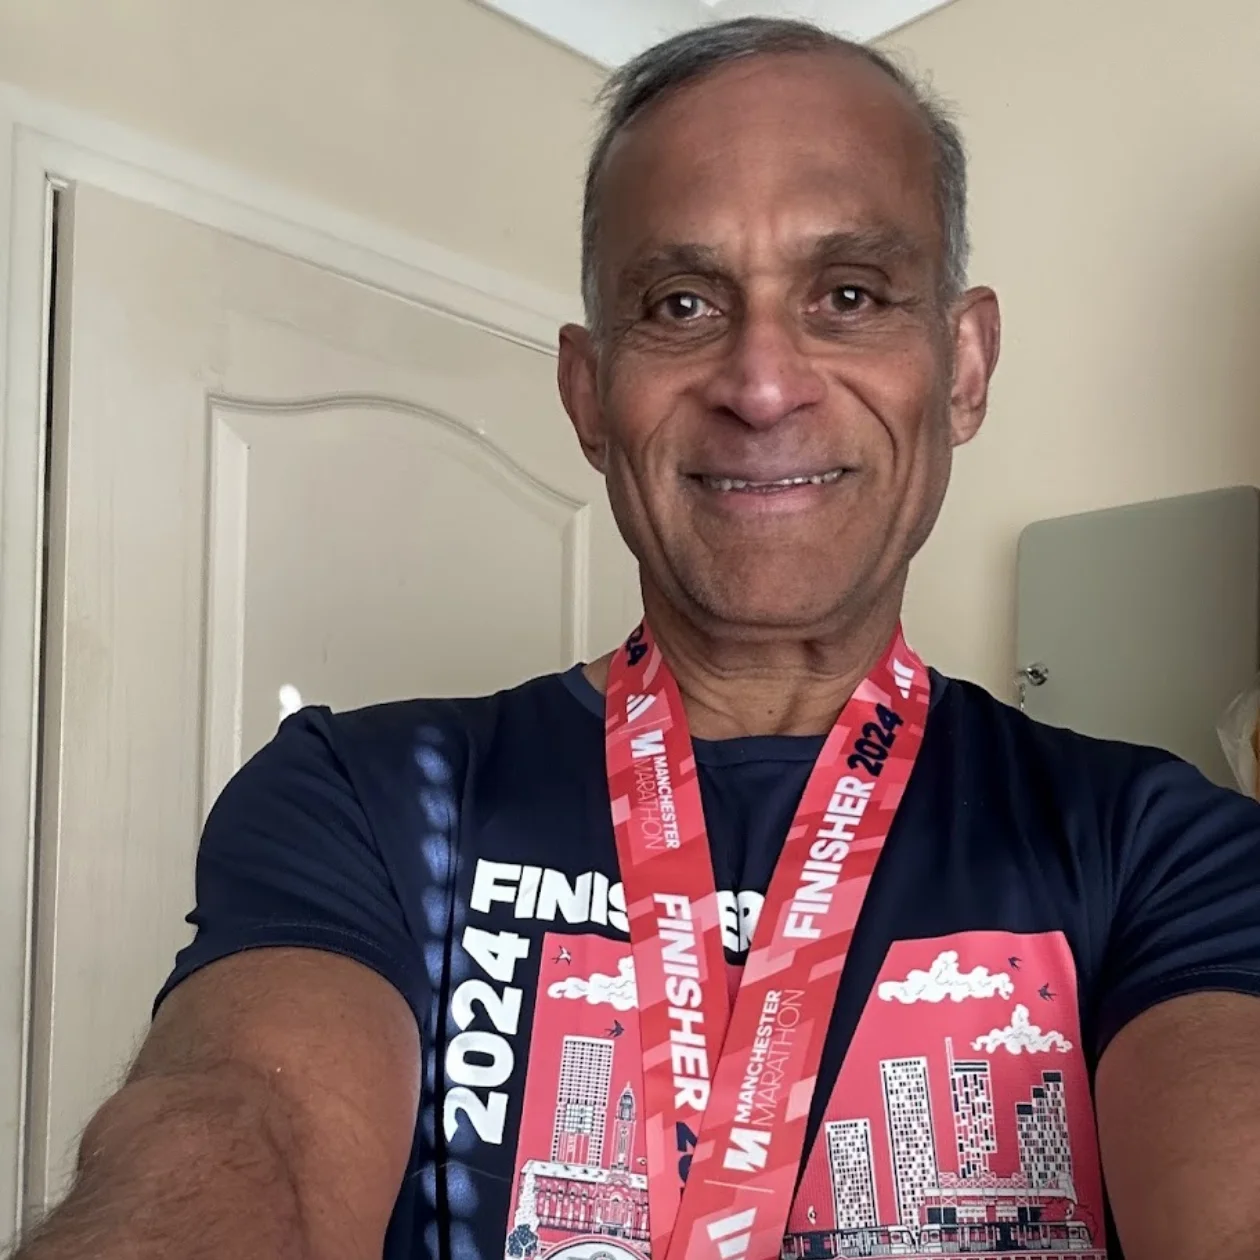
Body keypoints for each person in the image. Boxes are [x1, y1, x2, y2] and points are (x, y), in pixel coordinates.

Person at [14, 16, 1260, 1260]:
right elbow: (241, 1131)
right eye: (680, 302)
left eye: (847, 294)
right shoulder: (367, 802)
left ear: (966, 365)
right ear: (589, 394)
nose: (763, 382)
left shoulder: (1163, 848)